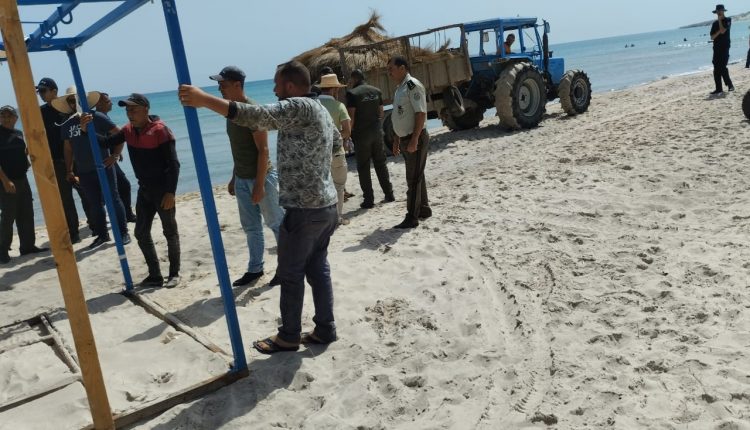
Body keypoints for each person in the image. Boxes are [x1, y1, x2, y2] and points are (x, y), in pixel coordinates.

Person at [179, 60, 340, 354]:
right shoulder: (320, 109)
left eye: (277, 85)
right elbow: (337, 144)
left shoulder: (300, 105)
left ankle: (289, 336)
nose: (274, 90)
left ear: (290, 86)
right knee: (318, 268)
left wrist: (204, 100)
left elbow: (259, 116)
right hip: (326, 205)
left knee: (290, 274)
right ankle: (325, 328)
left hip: (304, 210)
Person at [85, 93, 181, 288]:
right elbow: (106, 143)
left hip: (162, 191)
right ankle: (155, 275)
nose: (130, 114)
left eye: (134, 110)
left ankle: (174, 274)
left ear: (145, 109)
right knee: (141, 233)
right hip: (144, 190)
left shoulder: (161, 130)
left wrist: (170, 193)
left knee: (170, 232)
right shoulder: (128, 130)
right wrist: (87, 129)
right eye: (128, 110)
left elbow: (174, 164)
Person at [209, 66, 285, 286]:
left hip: (262, 178)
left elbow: (263, 150)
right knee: (251, 227)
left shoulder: (252, 110)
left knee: (276, 223)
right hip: (242, 179)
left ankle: (286, 267)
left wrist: (259, 185)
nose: (220, 89)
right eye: (219, 85)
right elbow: (239, 149)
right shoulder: (230, 112)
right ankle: (255, 269)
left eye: (223, 84)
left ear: (237, 85)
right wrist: (235, 177)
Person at [55, 87, 131, 250]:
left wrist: (115, 155)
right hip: (83, 170)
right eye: (70, 100)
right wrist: (69, 170)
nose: (74, 103)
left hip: (104, 167)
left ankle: (123, 232)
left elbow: (120, 135)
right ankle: (102, 235)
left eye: (76, 99)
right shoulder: (67, 123)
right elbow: (68, 148)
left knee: (113, 199)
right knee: (94, 204)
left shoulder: (97, 117)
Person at [37, 78, 87, 243]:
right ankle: (73, 233)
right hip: (57, 161)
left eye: (43, 91)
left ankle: (95, 225)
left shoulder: (67, 107)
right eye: (39, 92)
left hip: (76, 158)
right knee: (66, 199)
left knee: (86, 192)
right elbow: (36, 135)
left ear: (54, 91)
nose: (41, 94)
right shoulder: (40, 112)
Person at [387, 55, 432, 229]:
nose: (389, 73)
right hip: (405, 138)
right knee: (417, 175)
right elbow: (400, 116)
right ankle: (423, 208)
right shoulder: (400, 88)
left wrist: (414, 139)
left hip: (415, 138)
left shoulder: (412, 85)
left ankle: (412, 217)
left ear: (402, 68)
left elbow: (420, 113)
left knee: (413, 179)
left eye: (391, 69)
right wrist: (397, 139)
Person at [0, 105, 48, 263]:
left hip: (22, 179)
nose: (6, 118)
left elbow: (21, 152)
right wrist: (6, 181)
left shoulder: (19, 133)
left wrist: (26, 160)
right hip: (5, 181)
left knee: (26, 212)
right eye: (3, 116)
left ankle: (27, 246)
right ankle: (2, 251)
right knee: (8, 216)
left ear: (16, 118)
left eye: (9, 116)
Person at [346, 68, 394, 209]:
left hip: (362, 135)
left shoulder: (352, 94)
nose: (350, 82)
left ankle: (369, 200)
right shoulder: (376, 91)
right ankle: (389, 194)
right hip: (377, 132)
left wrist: (348, 135)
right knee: (381, 163)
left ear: (354, 79)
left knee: (363, 167)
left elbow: (351, 118)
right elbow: (381, 113)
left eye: (350, 80)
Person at [95, 92, 136, 223]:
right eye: (108, 101)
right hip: (105, 159)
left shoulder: (102, 116)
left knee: (119, 187)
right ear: (98, 104)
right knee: (122, 186)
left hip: (108, 157)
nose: (111, 103)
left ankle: (124, 214)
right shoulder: (99, 117)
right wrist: (115, 154)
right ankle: (125, 215)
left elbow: (113, 138)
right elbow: (120, 134)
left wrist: (117, 152)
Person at [317, 73, 351, 224]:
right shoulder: (339, 106)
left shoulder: (314, 105)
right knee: (338, 186)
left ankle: (323, 219)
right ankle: (337, 218)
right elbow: (347, 131)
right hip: (336, 152)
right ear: (334, 89)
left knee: (322, 188)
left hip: (317, 154)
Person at [710, 4, 734, 94]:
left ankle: (730, 85)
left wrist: (720, 21)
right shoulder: (714, 23)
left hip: (725, 47)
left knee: (722, 67)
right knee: (716, 68)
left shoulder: (728, 20)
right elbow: (712, 37)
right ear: (716, 12)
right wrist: (719, 31)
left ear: (723, 11)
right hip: (716, 48)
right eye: (718, 11)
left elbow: (723, 31)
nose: (719, 12)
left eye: (720, 10)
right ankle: (719, 89)